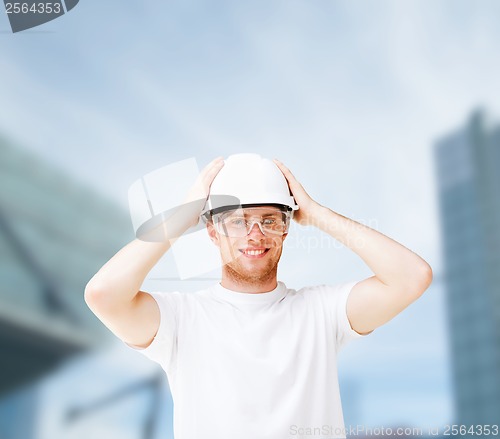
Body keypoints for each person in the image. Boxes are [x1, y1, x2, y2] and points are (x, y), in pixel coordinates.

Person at [85, 153, 433, 439]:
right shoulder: (182, 318)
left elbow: (412, 277)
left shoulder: (322, 312)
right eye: (237, 221)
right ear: (211, 231)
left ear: (286, 228)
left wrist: (319, 215)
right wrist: (181, 216)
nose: (255, 235)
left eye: (270, 220)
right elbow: (103, 294)